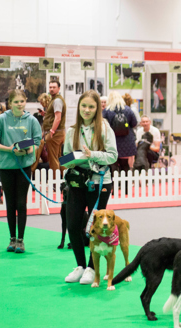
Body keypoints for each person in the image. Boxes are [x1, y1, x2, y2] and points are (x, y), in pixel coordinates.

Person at [62, 90, 118, 285]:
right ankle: (80, 266)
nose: (87, 110)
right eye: (83, 106)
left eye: (91, 107)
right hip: (77, 182)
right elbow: (65, 158)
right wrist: (71, 161)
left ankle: (91, 268)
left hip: (100, 182)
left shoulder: (104, 128)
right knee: (73, 224)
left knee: (95, 227)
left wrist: (92, 154)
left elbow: (112, 156)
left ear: (98, 109)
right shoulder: (71, 131)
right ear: (78, 107)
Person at [0, 89, 42, 254]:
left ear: (25, 101)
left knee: (21, 202)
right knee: (10, 203)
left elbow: (37, 141)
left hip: (24, 166)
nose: (19, 104)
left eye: (22, 101)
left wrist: (28, 150)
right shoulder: (1, 120)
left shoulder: (32, 120)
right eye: (16, 102)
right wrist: (9, 149)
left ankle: (21, 240)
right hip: (6, 166)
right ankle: (12, 238)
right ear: (10, 103)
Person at [103, 91, 137, 173]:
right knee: (125, 165)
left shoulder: (106, 111)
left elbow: (103, 126)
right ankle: (125, 185)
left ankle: (114, 184)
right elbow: (134, 123)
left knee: (113, 164)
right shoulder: (128, 110)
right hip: (126, 141)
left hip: (112, 141)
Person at [42, 80, 66, 173]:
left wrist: (52, 131)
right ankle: (64, 181)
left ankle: (55, 183)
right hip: (59, 132)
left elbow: (58, 118)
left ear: (59, 88)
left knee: (53, 159)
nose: (51, 89)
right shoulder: (56, 99)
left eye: (54, 87)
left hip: (55, 133)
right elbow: (55, 116)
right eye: (50, 87)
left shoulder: (57, 100)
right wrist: (45, 114)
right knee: (60, 158)